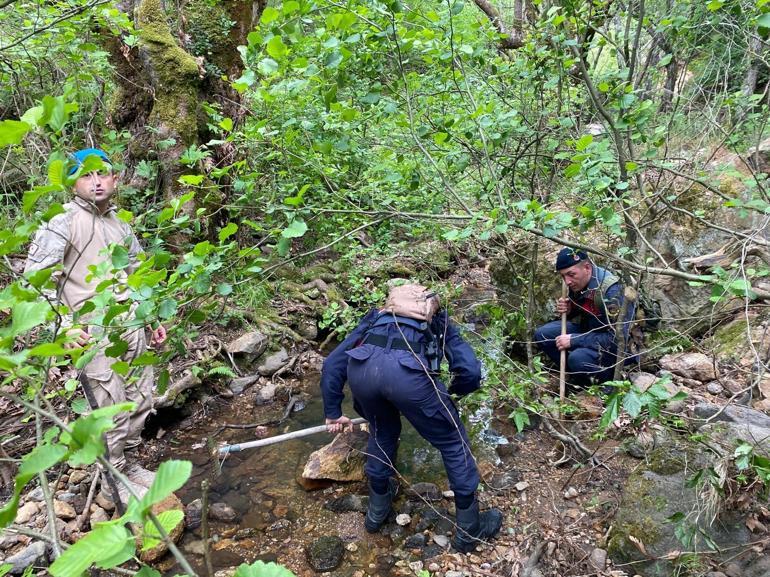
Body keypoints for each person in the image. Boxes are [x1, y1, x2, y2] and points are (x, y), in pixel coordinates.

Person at [24, 148, 165, 502]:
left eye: (102, 173)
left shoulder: (120, 224)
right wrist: (66, 326)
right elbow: (33, 282)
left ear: (115, 178)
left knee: (140, 400)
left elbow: (138, 274)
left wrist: (153, 318)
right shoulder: (62, 221)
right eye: (86, 174)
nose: (96, 181)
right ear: (73, 182)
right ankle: (112, 479)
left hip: (131, 325)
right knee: (107, 407)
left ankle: (127, 465)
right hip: (92, 331)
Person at [320, 285, 502, 553]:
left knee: (381, 430)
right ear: (431, 308)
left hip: (362, 373)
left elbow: (332, 364)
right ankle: (469, 530)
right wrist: (449, 395)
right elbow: (470, 371)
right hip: (411, 379)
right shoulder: (439, 322)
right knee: (453, 442)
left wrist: (333, 412)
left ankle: (376, 514)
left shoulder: (374, 319)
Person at [534, 247, 635, 391]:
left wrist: (574, 340)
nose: (567, 281)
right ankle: (579, 376)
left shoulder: (612, 291)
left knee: (577, 358)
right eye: (563, 276)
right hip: (591, 332)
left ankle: (606, 382)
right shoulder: (579, 283)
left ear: (587, 267)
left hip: (617, 349)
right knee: (543, 334)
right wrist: (570, 310)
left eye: (571, 274)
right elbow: (586, 309)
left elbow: (618, 340)